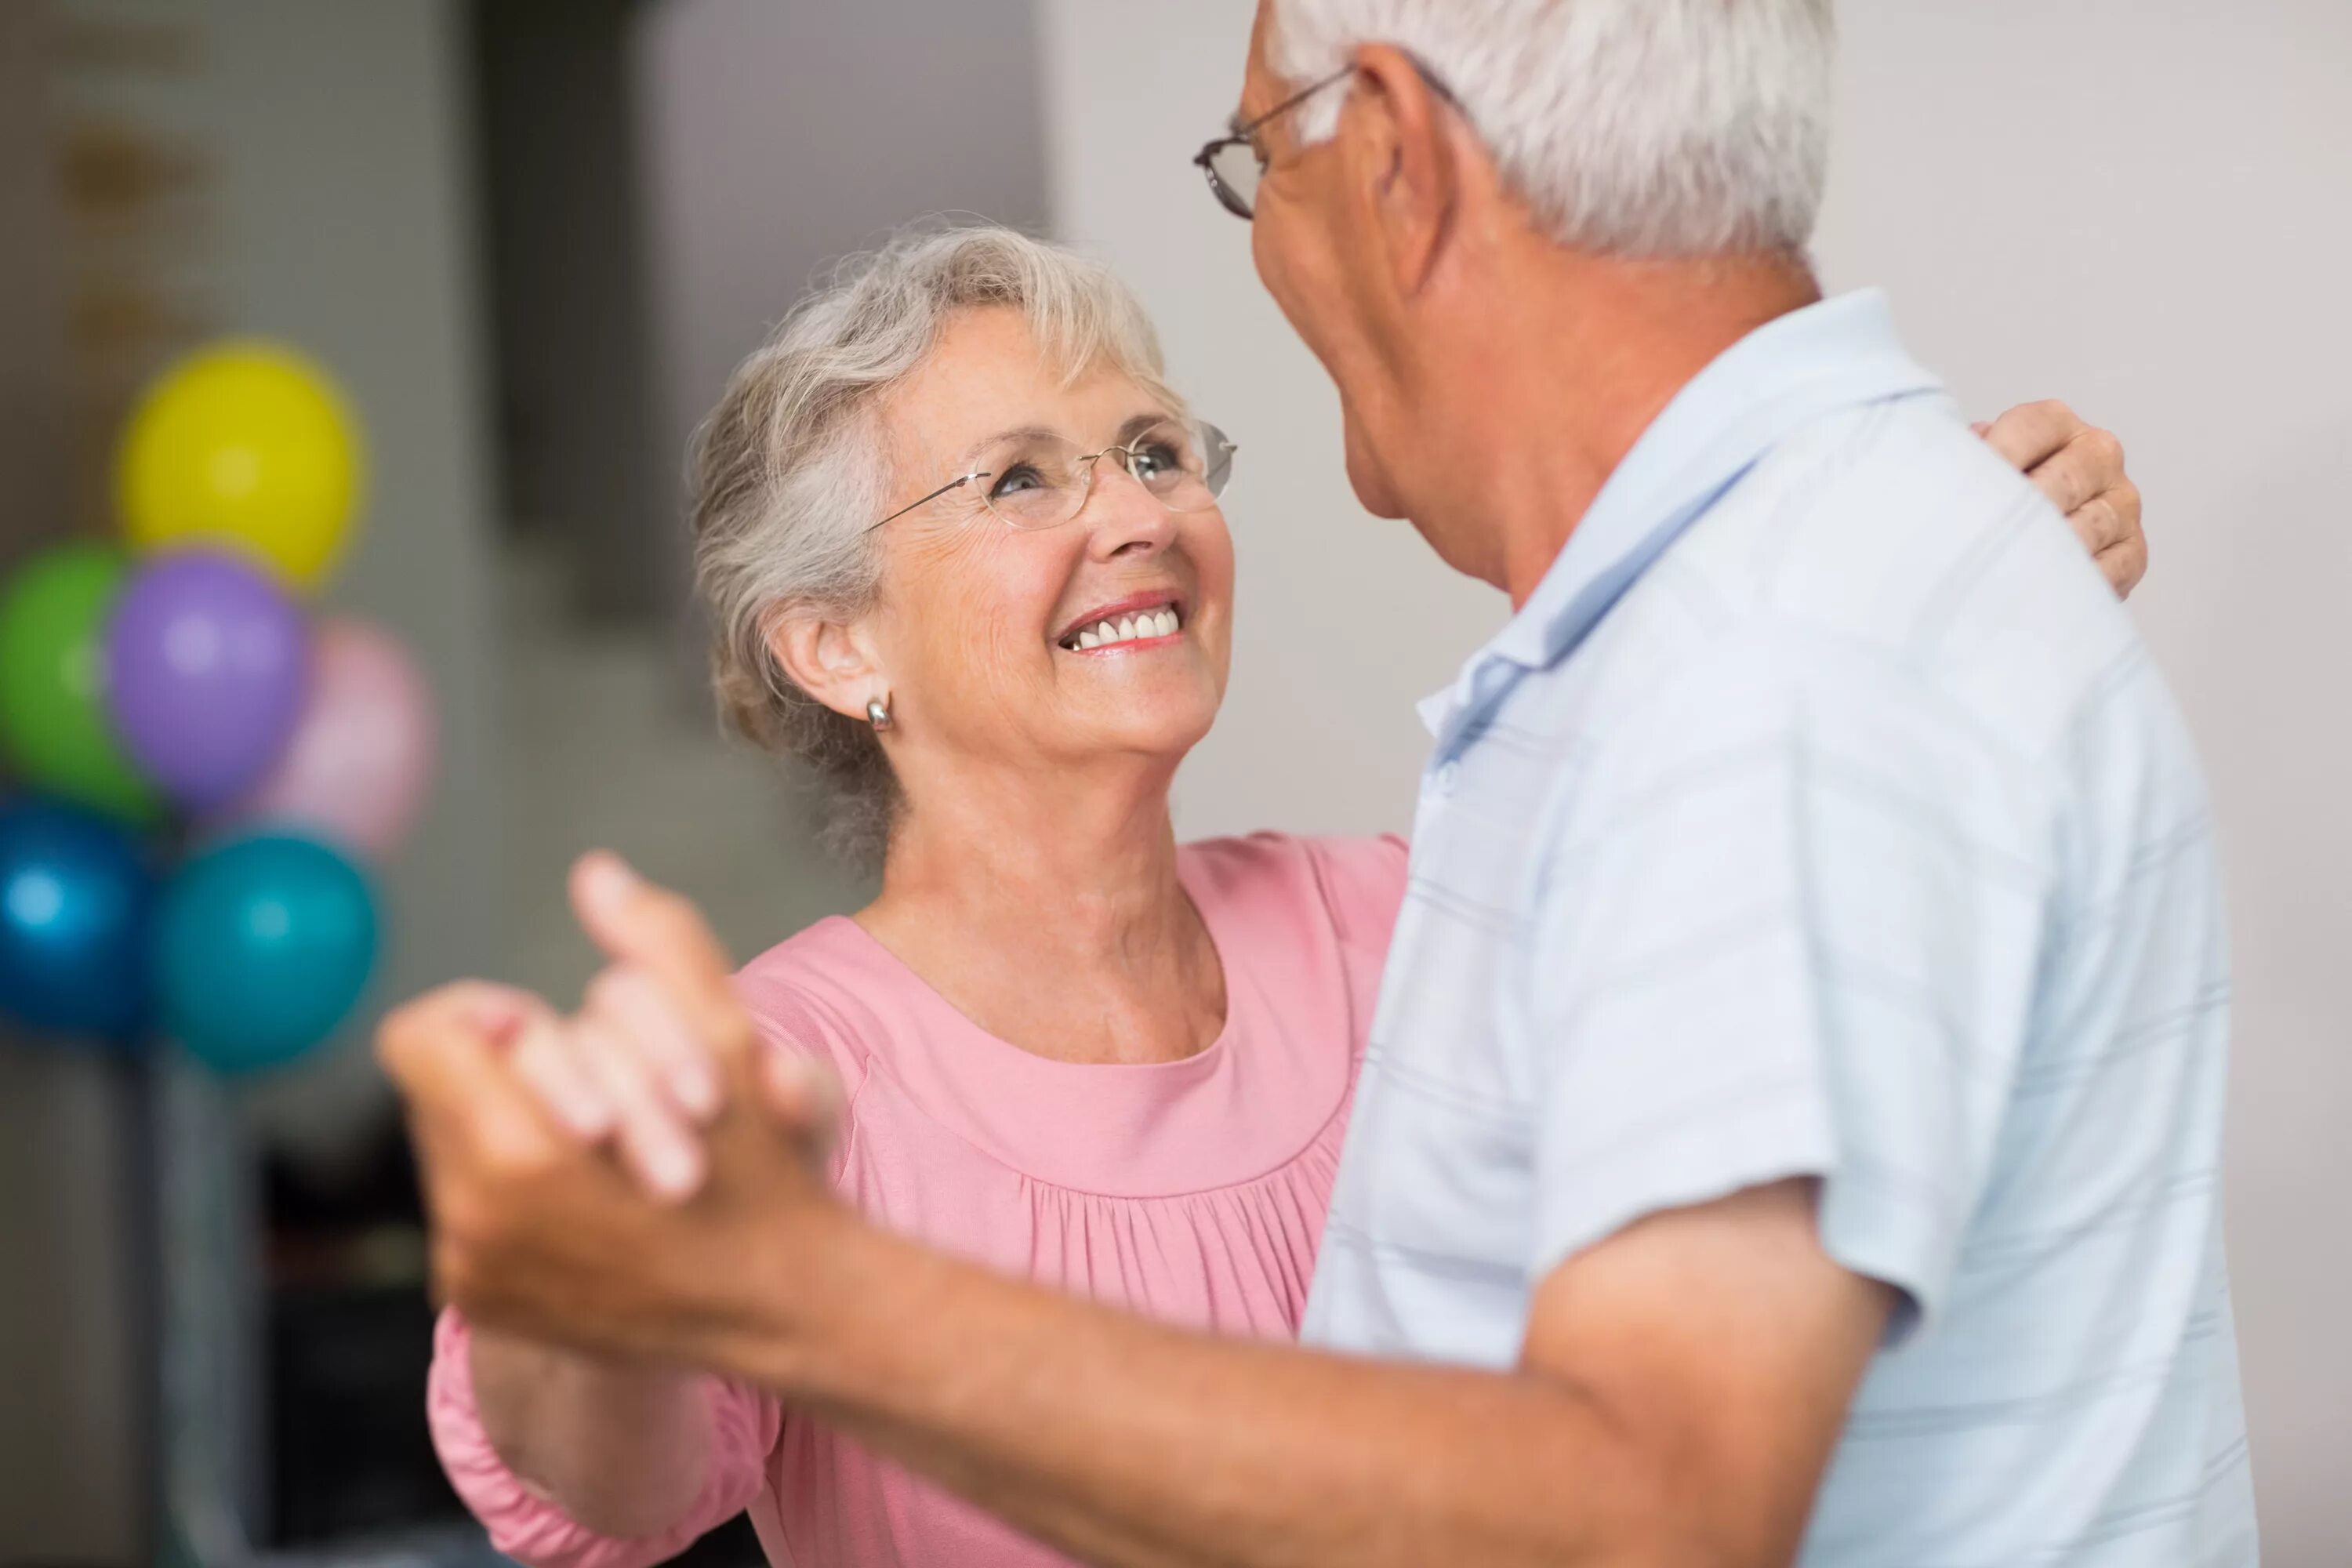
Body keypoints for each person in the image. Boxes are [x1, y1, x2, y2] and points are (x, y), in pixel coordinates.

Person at [388, 4, 2248, 1566]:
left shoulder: (1400, 907)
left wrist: (1908, 617)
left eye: (1149, 447)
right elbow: (597, 1485)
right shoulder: (792, 1066)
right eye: (1020, 481)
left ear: (1405, 167)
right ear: (831, 644)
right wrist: (600, 1279)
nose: (1133, 512)